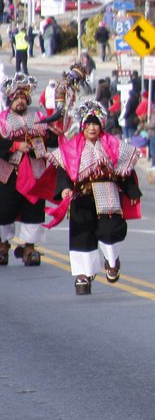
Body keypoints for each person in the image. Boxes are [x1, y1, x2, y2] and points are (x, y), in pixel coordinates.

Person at [47, 101, 142, 295]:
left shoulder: (113, 145)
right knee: (82, 234)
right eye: (88, 123)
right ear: (83, 125)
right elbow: (63, 169)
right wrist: (65, 189)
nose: (92, 127)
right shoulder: (73, 147)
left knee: (111, 230)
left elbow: (125, 170)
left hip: (107, 191)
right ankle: (83, 274)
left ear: (102, 125)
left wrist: (131, 191)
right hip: (81, 195)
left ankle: (112, 260)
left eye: (96, 123)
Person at [0, 74, 58, 267]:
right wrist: (15, 146)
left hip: (34, 173)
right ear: (10, 100)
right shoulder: (2, 120)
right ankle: (2, 245)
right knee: (4, 210)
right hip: (8, 174)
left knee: (33, 210)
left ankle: (29, 247)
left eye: (23, 98)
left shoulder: (39, 118)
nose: (20, 102)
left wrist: (51, 134)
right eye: (16, 98)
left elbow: (52, 139)